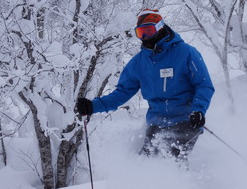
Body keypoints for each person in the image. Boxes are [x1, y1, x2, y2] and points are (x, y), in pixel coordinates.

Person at [76, 9, 214, 163]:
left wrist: (198, 110)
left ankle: (186, 186)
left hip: (186, 120)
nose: (145, 37)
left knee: (173, 159)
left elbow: (204, 85)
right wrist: (93, 106)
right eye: (141, 33)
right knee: (147, 162)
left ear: (160, 28)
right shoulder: (139, 63)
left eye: (148, 31)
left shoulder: (186, 53)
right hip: (157, 122)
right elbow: (122, 93)